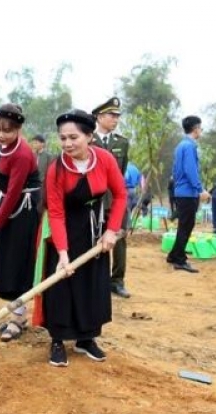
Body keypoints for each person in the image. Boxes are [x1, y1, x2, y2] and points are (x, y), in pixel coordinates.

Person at [42, 109, 126, 367]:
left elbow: (121, 195)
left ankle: (86, 339)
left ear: (89, 136)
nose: (67, 144)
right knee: (61, 286)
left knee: (92, 283)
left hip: (95, 232)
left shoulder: (105, 159)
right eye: (63, 138)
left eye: (73, 137)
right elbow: (55, 213)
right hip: (64, 231)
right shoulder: (56, 169)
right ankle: (57, 340)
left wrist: (111, 231)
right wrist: (63, 254)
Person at [0, 104, 40, 341]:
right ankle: (16, 314)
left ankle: (18, 320)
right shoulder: (3, 146)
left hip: (23, 212)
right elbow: (6, 178)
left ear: (18, 129)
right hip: (9, 205)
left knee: (16, 265)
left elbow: (15, 191)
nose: (1, 134)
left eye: (7, 130)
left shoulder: (23, 154)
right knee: (6, 264)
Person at [91, 97, 131, 299]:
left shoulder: (122, 143)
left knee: (119, 239)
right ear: (99, 117)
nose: (115, 119)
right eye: (111, 115)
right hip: (94, 200)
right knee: (94, 238)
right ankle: (96, 280)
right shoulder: (88, 141)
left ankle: (117, 280)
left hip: (115, 200)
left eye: (117, 116)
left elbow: (120, 174)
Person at [166, 115, 209, 273]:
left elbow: (176, 170)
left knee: (184, 225)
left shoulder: (180, 145)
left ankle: (174, 254)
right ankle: (179, 260)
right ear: (196, 128)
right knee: (186, 225)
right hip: (188, 193)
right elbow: (190, 170)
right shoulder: (190, 146)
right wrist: (200, 189)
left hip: (181, 190)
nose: (201, 131)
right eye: (201, 128)